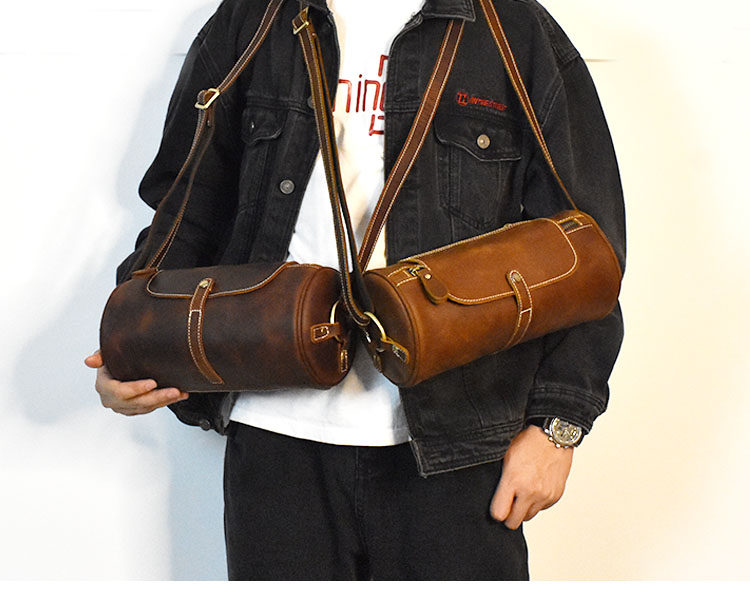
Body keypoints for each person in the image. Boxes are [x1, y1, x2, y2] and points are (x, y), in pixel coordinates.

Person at [86, 0, 625, 580]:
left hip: (459, 442)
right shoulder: (257, 18)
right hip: (274, 438)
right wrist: (134, 347)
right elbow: (185, 205)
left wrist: (557, 427)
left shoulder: (510, 27)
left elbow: (587, 250)